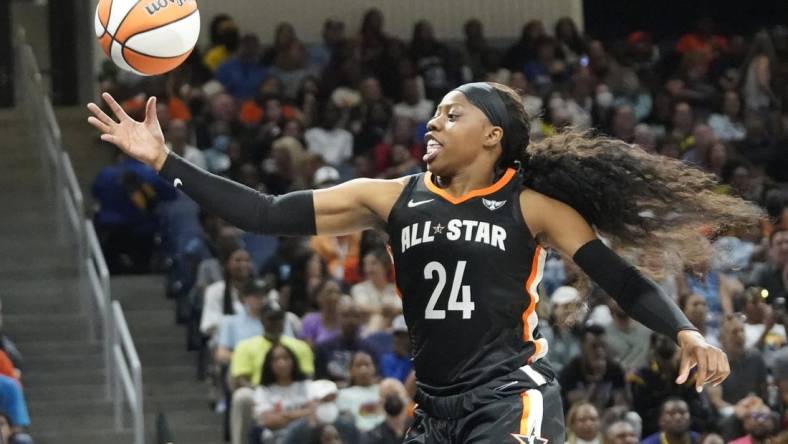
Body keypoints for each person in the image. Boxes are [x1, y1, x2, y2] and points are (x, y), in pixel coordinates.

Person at [89, 79, 758, 443]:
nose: (432, 124)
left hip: (510, 395)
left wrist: (686, 331)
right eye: (433, 114)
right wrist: (165, 161)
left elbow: (622, 278)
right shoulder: (387, 198)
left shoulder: (533, 206)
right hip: (435, 410)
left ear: (491, 137)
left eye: (451, 114)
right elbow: (263, 213)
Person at [252, 343, 312, 444]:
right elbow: (269, 421)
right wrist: (304, 413)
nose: (282, 363)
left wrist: (284, 415)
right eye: (276, 360)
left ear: (293, 361)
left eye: (286, 358)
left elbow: (317, 413)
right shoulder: (263, 391)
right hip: (276, 438)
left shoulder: (307, 385)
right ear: (269, 364)